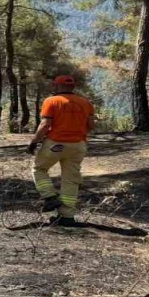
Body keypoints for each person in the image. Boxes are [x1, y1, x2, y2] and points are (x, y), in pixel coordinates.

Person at [28, 75, 95, 226]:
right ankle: (67, 217)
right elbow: (91, 126)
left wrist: (34, 142)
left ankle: (50, 197)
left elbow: (45, 125)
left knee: (39, 168)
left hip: (56, 144)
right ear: (73, 86)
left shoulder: (51, 101)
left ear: (55, 86)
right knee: (70, 179)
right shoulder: (85, 103)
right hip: (78, 145)